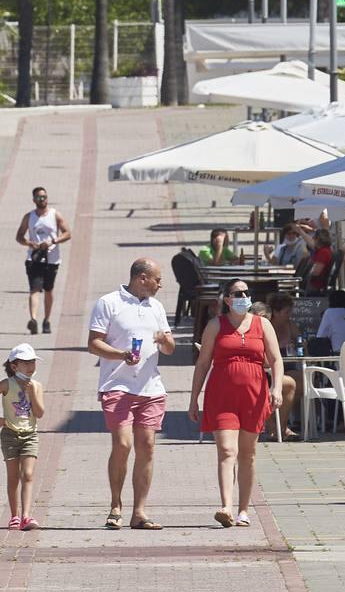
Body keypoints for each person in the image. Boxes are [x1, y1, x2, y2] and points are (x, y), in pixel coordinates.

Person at [87, 258, 176, 531]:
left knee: (147, 446)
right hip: (118, 386)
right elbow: (94, 344)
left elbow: (170, 348)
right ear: (141, 278)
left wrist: (165, 341)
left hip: (150, 388)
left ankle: (139, 511)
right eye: (157, 279)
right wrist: (121, 356)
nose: (161, 285)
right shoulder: (109, 302)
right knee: (123, 445)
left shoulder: (156, 307)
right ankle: (116, 504)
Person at [188, 279, 284, 528]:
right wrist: (193, 398)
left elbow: (276, 359)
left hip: (254, 395)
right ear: (227, 299)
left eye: (246, 292)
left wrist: (277, 387)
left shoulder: (262, 324)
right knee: (227, 451)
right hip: (222, 395)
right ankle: (226, 506)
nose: (244, 296)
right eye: (238, 293)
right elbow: (202, 363)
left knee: (248, 454)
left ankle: (244, 510)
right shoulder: (214, 326)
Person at [0, 343, 46, 531]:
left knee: (29, 475)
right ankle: (14, 516)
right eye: (25, 362)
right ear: (14, 366)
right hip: (9, 435)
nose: (30, 366)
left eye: (32, 361)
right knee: (13, 476)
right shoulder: (7, 384)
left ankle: (26, 516)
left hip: (30, 435)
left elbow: (40, 413)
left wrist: (32, 393)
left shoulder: (37, 386)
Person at [15, 186, 71, 335]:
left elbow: (67, 233)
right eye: (39, 197)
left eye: (44, 197)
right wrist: (30, 243)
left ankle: (47, 320)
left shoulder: (54, 215)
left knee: (48, 290)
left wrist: (54, 241)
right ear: (34, 200)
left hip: (52, 259)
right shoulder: (29, 217)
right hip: (34, 258)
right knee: (34, 289)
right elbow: (19, 236)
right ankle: (33, 319)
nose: (42, 199)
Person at [264, 293, 301, 441]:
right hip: (267, 369)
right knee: (289, 384)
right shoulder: (266, 325)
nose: (289, 315)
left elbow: (301, 342)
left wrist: (298, 342)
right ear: (276, 312)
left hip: (286, 367)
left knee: (302, 382)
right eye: (286, 312)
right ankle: (276, 427)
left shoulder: (290, 325)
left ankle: (281, 425)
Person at [306, 228, 334, 294]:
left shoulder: (323, 252)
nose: (313, 239)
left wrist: (306, 272)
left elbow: (316, 272)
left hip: (315, 286)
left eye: (314, 237)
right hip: (314, 284)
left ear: (318, 239)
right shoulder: (322, 251)